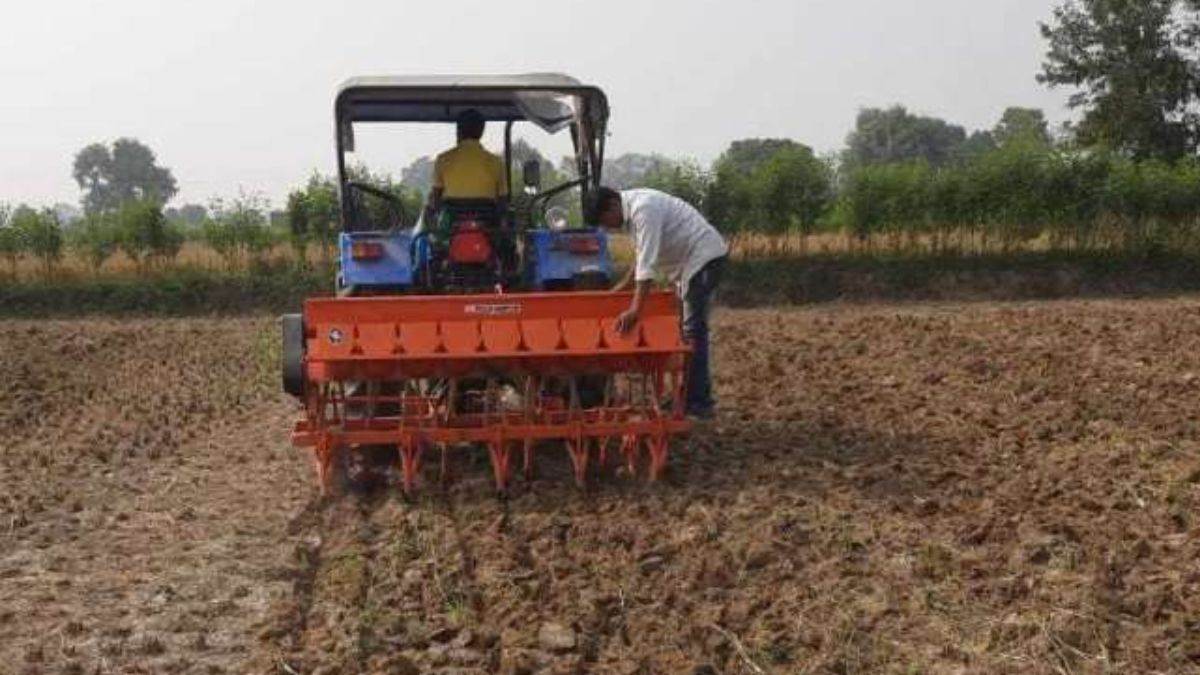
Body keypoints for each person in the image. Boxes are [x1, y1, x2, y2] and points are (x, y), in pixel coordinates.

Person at [587, 187, 729, 419]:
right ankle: (688, 396)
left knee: (693, 332)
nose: (608, 227)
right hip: (689, 266)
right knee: (686, 333)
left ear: (613, 205)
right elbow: (642, 257)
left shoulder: (644, 209)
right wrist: (622, 288)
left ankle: (699, 402)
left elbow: (647, 264)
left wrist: (635, 309)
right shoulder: (633, 213)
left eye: (606, 221)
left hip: (704, 258)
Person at [428, 109, 508, 214]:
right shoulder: (496, 162)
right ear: (481, 132)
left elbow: (436, 198)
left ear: (458, 130)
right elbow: (503, 200)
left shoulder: (443, 159)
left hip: (452, 226)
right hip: (487, 223)